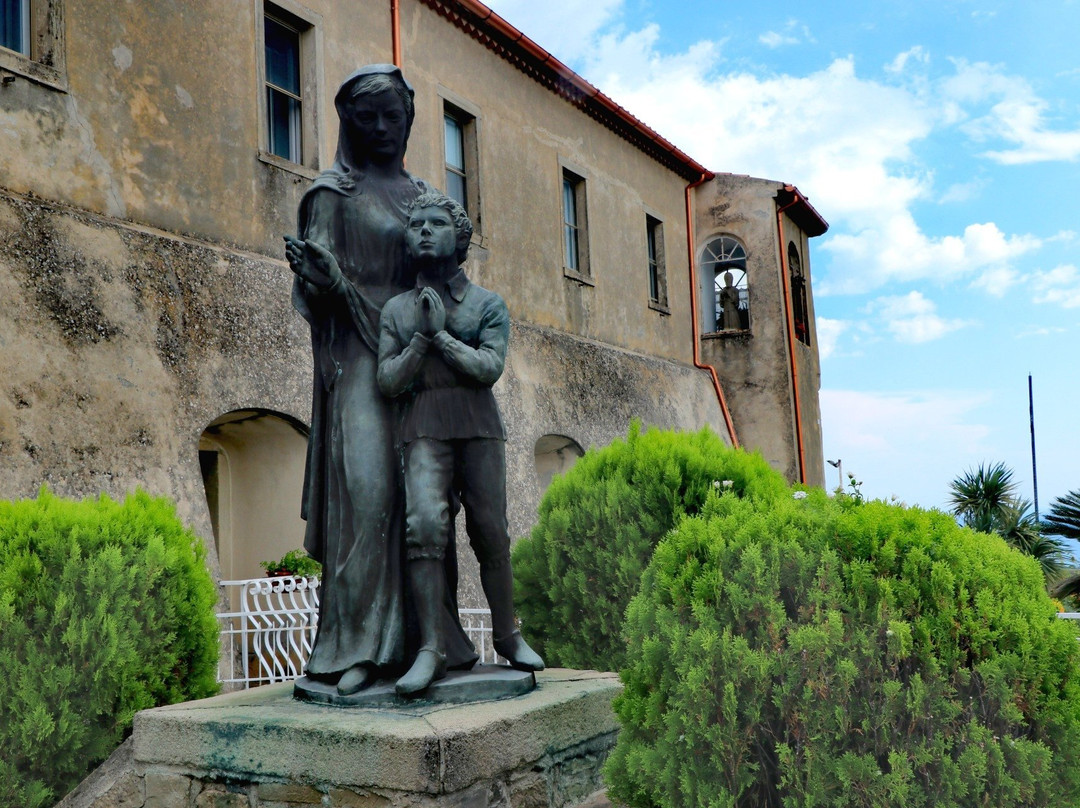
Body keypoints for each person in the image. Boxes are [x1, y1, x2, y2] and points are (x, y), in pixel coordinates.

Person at [284, 66, 475, 697]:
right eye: (368, 117)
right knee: (368, 500)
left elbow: (447, 272)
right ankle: (354, 649)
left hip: (419, 355)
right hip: (361, 364)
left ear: (409, 119)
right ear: (348, 122)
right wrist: (322, 280)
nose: (382, 128)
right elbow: (314, 296)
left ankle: (428, 643)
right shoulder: (330, 195)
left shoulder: (423, 195)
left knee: (425, 505)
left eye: (392, 116)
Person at [378, 192, 544, 697]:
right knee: (423, 526)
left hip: (477, 427)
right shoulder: (396, 310)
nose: (424, 231)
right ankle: (432, 648)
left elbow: (488, 369)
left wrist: (440, 336)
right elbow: (387, 380)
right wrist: (420, 341)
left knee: (491, 532)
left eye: (436, 224)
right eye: (416, 225)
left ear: (460, 238)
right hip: (424, 425)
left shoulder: (486, 304)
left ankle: (508, 636)